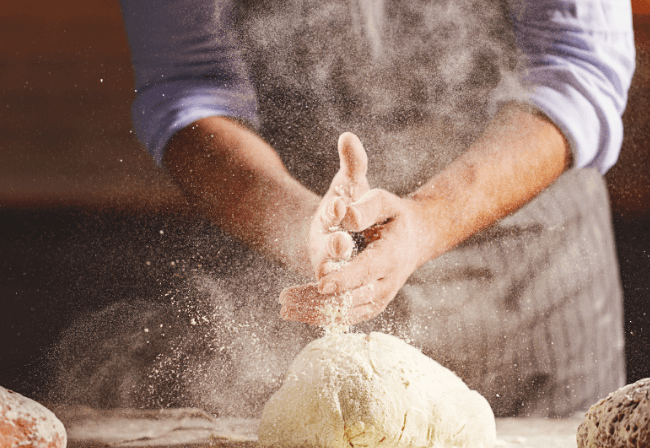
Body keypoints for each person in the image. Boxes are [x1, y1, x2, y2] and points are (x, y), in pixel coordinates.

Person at [114, 0, 635, 417]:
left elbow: (576, 68)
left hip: (531, 274)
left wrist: (430, 219)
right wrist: (299, 227)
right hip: (304, 245)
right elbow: (188, 84)